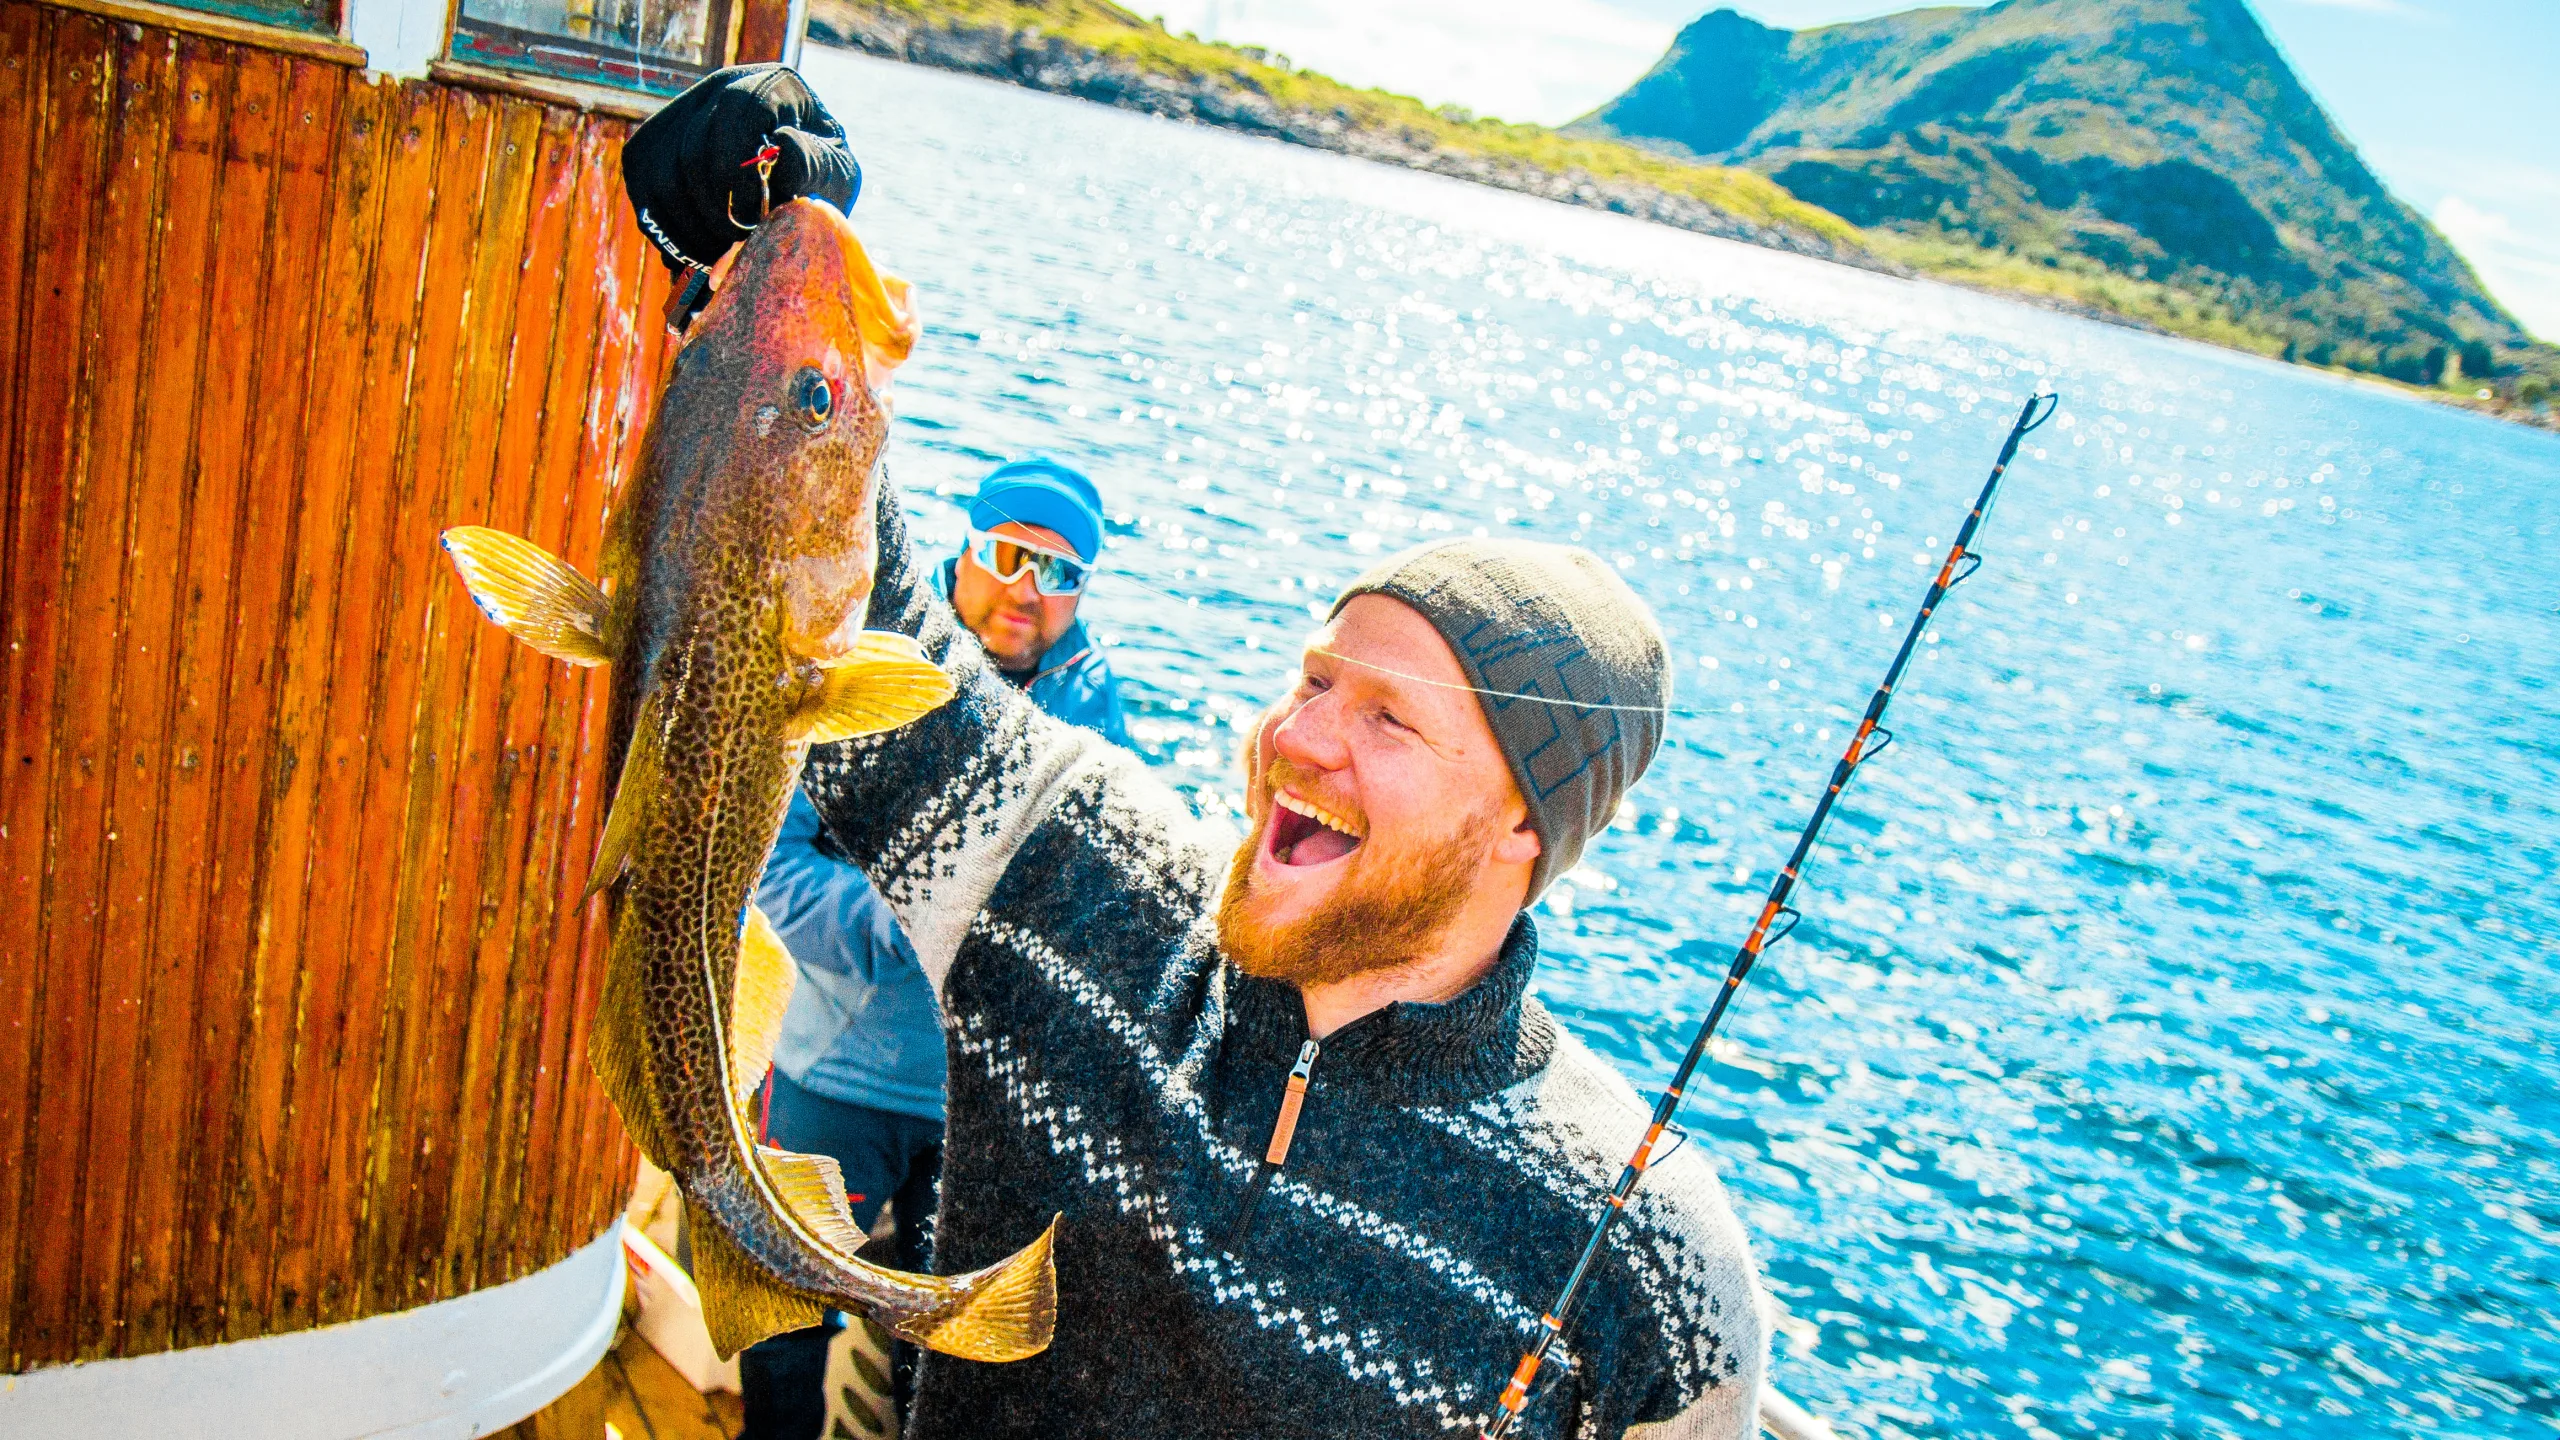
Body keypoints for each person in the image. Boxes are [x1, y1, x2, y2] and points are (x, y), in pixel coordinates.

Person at [742, 457, 1130, 1438]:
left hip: (978, 1097)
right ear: (964, 547)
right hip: (837, 1069)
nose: (1026, 592)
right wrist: (910, 922)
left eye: (1058, 575)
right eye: (1008, 556)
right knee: (787, 1296)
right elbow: (772, 869)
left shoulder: (1092, 712)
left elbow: (1094, 899)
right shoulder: (863, 667)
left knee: (941, 1325)